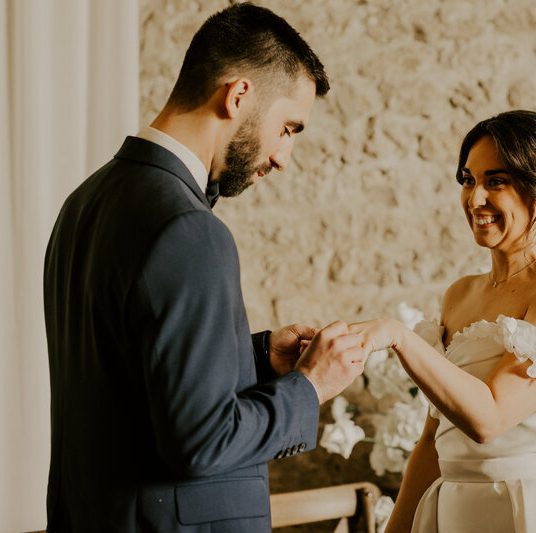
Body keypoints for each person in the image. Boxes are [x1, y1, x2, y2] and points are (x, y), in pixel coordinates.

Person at [43, 5, 366, 532]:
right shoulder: (190, 229)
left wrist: (257, 358)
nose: (284, 156)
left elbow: (128, 376)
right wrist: (311, 386)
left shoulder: (83, 204)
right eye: (287, 128)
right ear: (238, 96)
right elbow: (200, 442)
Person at [352, 110, 536, 532]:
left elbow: (489, 419)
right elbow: (433, 440)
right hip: (450, 514)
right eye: (468, 180)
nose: (474, 198)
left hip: (530, 514)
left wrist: (399, 337)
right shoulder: (459, 294)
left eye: (496, 182)